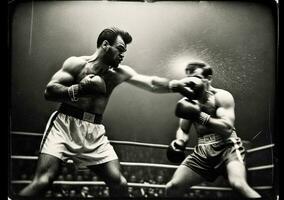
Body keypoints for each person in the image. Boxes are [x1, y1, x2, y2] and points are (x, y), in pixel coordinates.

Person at [18, 27, 180, 197]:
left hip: (94, 130)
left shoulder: (119, 73)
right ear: (105, 45)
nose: (123, 54)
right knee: (43, 181)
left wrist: (177, 85)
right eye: (120, 49)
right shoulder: (76, 64)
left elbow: (152, 83)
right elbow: (49, 92)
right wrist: (78, 89)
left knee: (119, 183)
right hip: (65, 126)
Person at [165, 61, 261, 198]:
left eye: (196, 78)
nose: (191, 82)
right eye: (188, 79)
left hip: (227, 146)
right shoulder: (188, 101)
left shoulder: (221, 96)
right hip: (203, 150)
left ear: (208, 79)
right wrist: (179, 142)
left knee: (239, 184)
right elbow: (183, 129)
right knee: (173, 188)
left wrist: (199, 115)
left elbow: (227, 128)